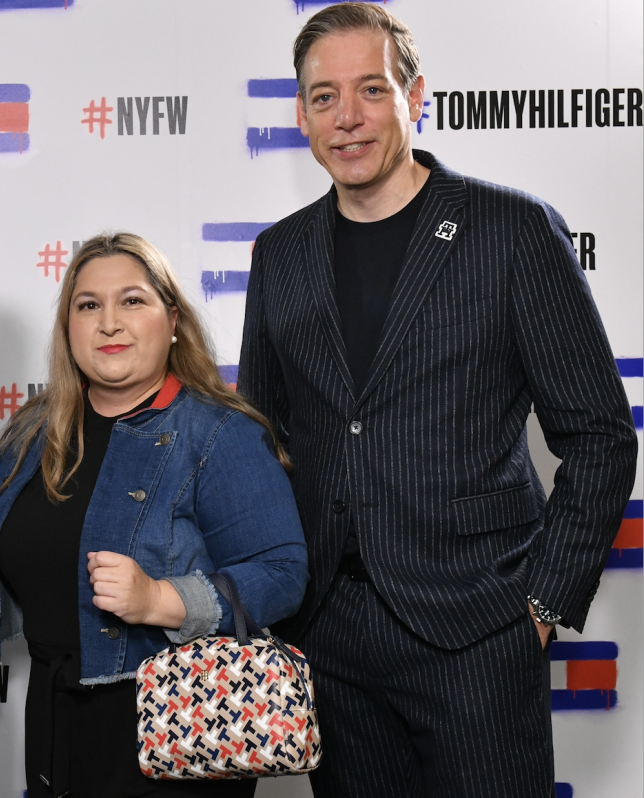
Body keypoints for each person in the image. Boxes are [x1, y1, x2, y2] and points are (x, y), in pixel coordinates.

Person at [238, 5, 638, 797]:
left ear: (415, 95)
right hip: (331, 637)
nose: (346, 118)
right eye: (323, 97)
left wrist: (539, 605)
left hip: (478, 631)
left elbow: (600, 435)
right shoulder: (278, 253)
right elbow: (265, 438)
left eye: (370, 91)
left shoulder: (511, 229)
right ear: (300, 113)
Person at [0, 232, 308, 798]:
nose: (109, 323)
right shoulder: (34, 432)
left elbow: (282, 573)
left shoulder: (218, 432)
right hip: (54, 719)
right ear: (69, 327)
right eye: (88, 305)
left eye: (132, 300)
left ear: (172, 319)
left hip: (177, 724)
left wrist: (161, 599)